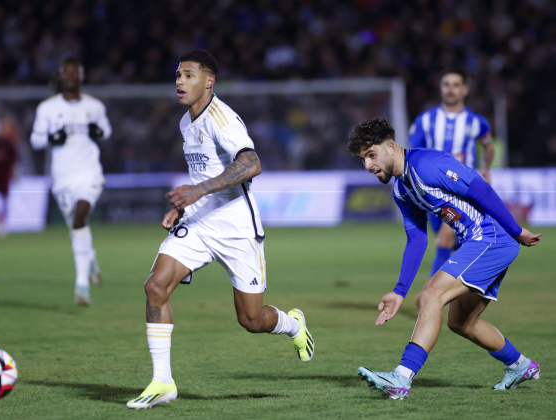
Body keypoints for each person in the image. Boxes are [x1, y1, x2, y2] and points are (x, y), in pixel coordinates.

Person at [126, 50, 314, 410]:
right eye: (178, 75)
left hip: (236, 227)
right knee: (156, 286)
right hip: (198, 223)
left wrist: (198, 191)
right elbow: (202, 175)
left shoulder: (222, 118)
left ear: (208, 81)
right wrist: (183, 206)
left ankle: (292, 325)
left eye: (189, 75)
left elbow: (251, 163)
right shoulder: (186, 123)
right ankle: (162, 382)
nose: (180, 81)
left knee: (251, 319)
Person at [347, 117, 541, 400]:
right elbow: (417, 239)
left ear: (390, 146)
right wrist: (399, 292)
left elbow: (480, 188)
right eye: (363, 159)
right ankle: (520, 365)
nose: (368, 166)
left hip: (491, 238)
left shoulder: (428, 164)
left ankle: (401, 377)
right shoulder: (402, 189)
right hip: (478, 243)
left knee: (430, 295)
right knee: (461, 322)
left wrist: (515, 230)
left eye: (371, 155)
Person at [30, 58, 111, 306]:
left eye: (74, 72)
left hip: (89, 174)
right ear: (61, 77)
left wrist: (99, 131)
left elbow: (106, 131)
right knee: (77, 228)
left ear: (81, 77)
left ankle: (81, 287)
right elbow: (35, 140)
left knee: (80, 219)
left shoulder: (94, 106)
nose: (70, 76)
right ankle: (91, 258)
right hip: (63, 179)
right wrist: (52, 138)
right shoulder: (47, 108)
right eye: (66, 72)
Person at [409, 68, 495, 279]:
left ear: (464, 90)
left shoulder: (476, 122)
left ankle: (428, 299)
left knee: (444, 240)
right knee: (457, 247)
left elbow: (489, 146)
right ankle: (464, 305)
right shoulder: (426, 120)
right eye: (446, 84)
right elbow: (413, 153)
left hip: (463, 190)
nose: (450, 89)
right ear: (440, 89)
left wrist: (486, 168)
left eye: (456, 85)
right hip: (433, 192)